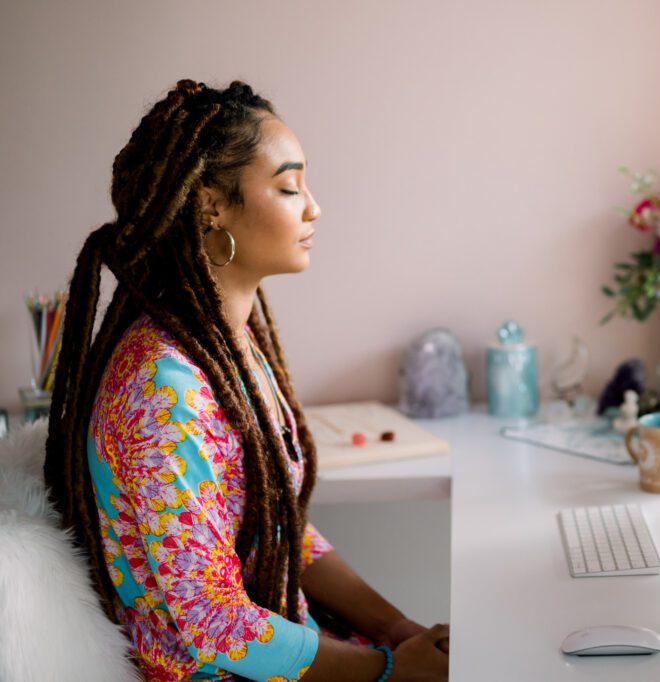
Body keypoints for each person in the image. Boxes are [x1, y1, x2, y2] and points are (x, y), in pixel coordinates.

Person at [43, 79, 449, 682]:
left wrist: (399, 633)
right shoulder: (163, 389)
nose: (314, 207)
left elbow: (277, 529)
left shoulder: (231, 345)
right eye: (289, 186)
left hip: (282, 650)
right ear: (211, 205)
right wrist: (387, 670)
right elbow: (213, 625)